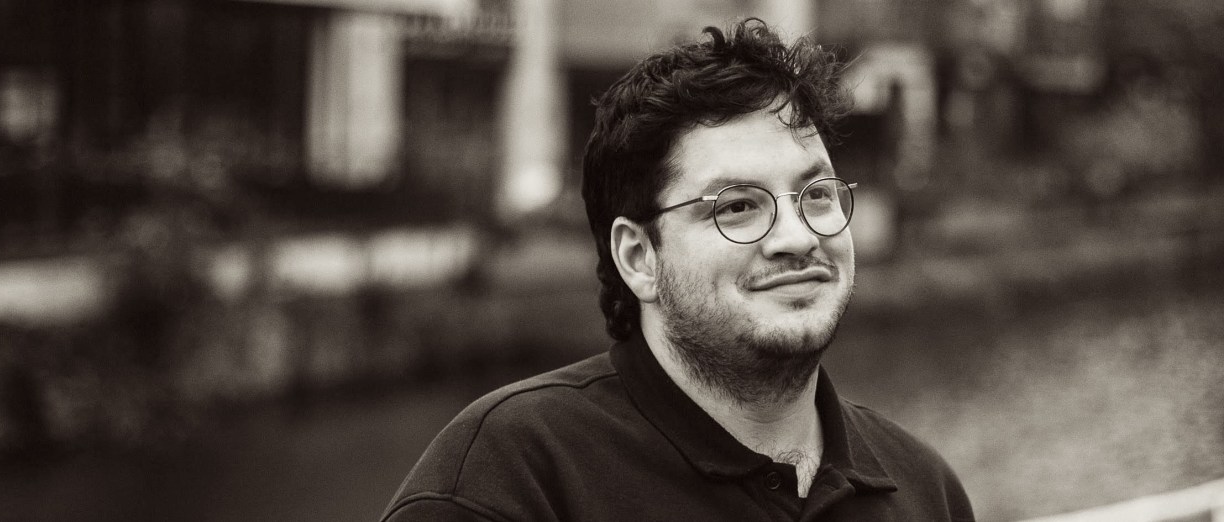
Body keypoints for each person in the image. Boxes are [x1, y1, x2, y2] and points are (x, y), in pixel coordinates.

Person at [381, 18, 974, 522]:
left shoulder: (925, 490)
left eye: (816, 195)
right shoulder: (509, 480)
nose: (798, 237)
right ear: (639, 257)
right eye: (737, 207)